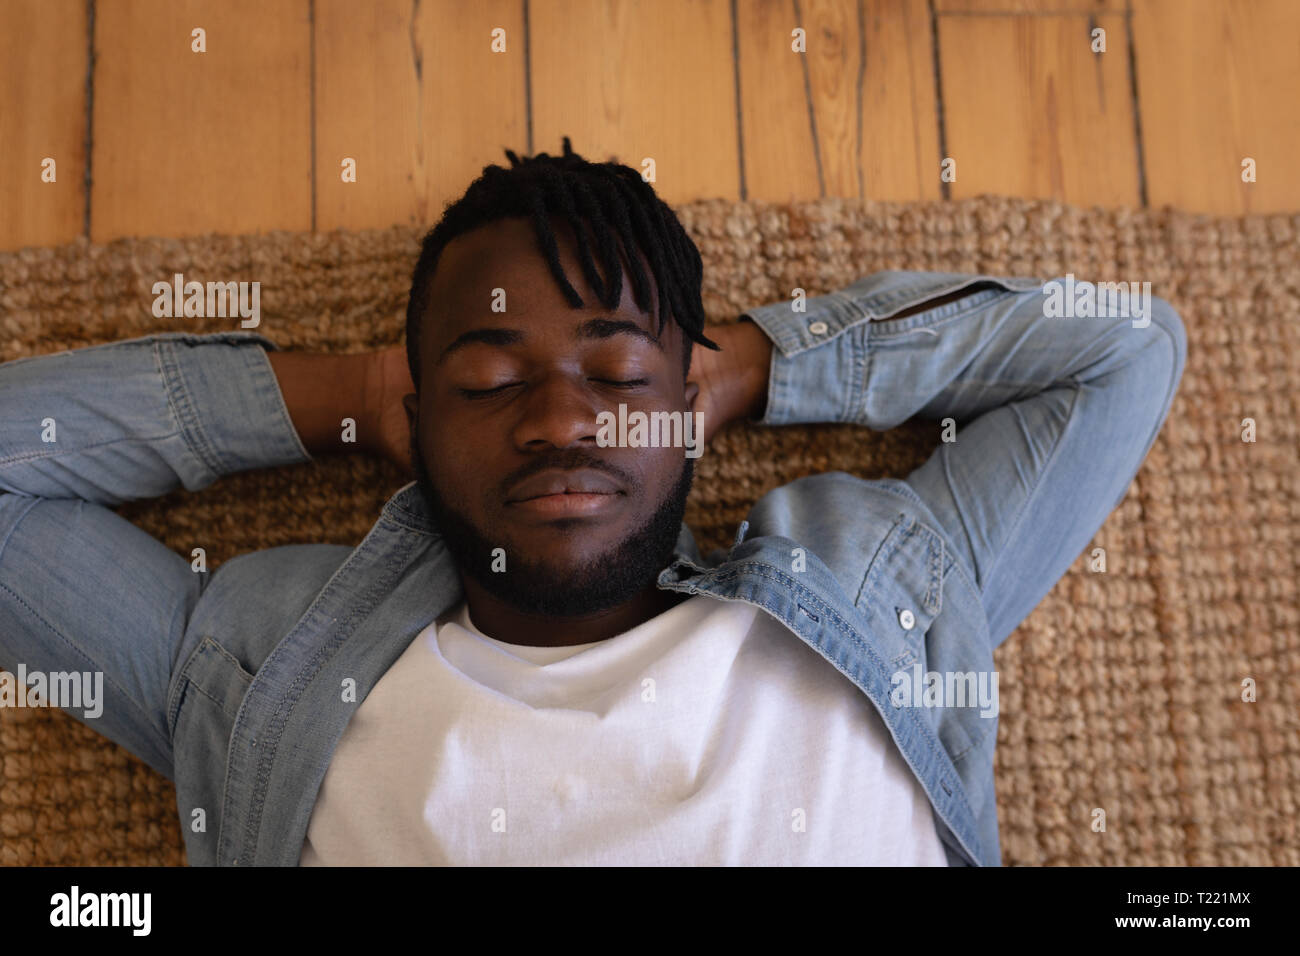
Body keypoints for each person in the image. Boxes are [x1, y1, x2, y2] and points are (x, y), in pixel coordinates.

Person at [0, 138, 1186, 866]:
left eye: (616, 373)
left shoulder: (872, 592)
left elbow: (1124, 349)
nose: (564, 420)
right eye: (487, 377)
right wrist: (346, 396)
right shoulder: (273, 679)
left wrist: (762, 366)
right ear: (421, 413)